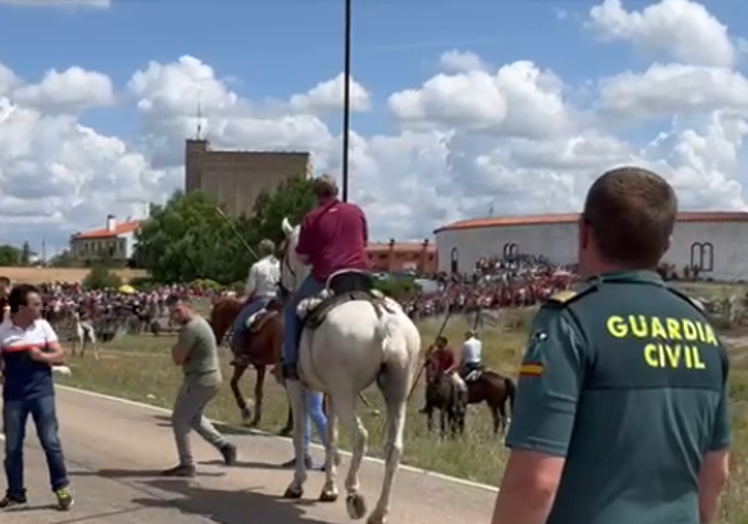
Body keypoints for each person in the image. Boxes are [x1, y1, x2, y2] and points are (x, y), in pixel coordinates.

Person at [491, 166, 730, 524]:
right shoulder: (701, 328)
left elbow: (534, 484)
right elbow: (716, 474)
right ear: (666, 246)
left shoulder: (569, 321)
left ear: (584, 232)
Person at [281, 173, 369, 380]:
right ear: (336, 191)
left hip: (327, 277)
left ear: (316, 195)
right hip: (360, 275)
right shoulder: (357, 212)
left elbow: (302, 257)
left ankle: (291, 365)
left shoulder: (312, 218)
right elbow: (363, 243)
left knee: (291, 312)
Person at [0, 284, 73, 510]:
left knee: (51, 442)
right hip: (14, 396)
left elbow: (60, 355)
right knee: (12, 447)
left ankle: (61, 488)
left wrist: (42, 356)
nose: (41, 307)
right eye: (36, 304)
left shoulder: (42, 326)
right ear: (21, 307)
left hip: (42, 394)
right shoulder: (3, 330)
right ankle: (15, 493)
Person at [163, 294, 237, 477]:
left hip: (200, 380)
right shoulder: (200, 323)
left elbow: (178, 358)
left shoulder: (191, 329)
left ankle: (187, 464)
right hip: (210, 379)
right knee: (194, 417)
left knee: (179, 420)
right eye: (172, 313)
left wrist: (176, 349)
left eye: (178, 311)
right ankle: (224, 446)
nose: (175, 316)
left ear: (188, 306)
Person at [230, 239, 280, 358]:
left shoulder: (256, 266)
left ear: (261, 251)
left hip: (262, 301)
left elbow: (250, 289)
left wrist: (244, 298)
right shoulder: (281, 265)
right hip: (279, 301)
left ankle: (241, 354)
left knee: (238, 323)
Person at [419, 336, 462, 413]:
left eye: (439, 342)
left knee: (457, 384)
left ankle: (454, 405)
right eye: (437, 342)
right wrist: (429, 349)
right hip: (438, 374)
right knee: (429, 386)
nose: (438, 343)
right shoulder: (435, 353)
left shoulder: (450, 352)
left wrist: (447, 371)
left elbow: (454, 364)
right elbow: (428, 358)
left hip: (449, 373)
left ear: (444, 343)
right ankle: (427, 405)